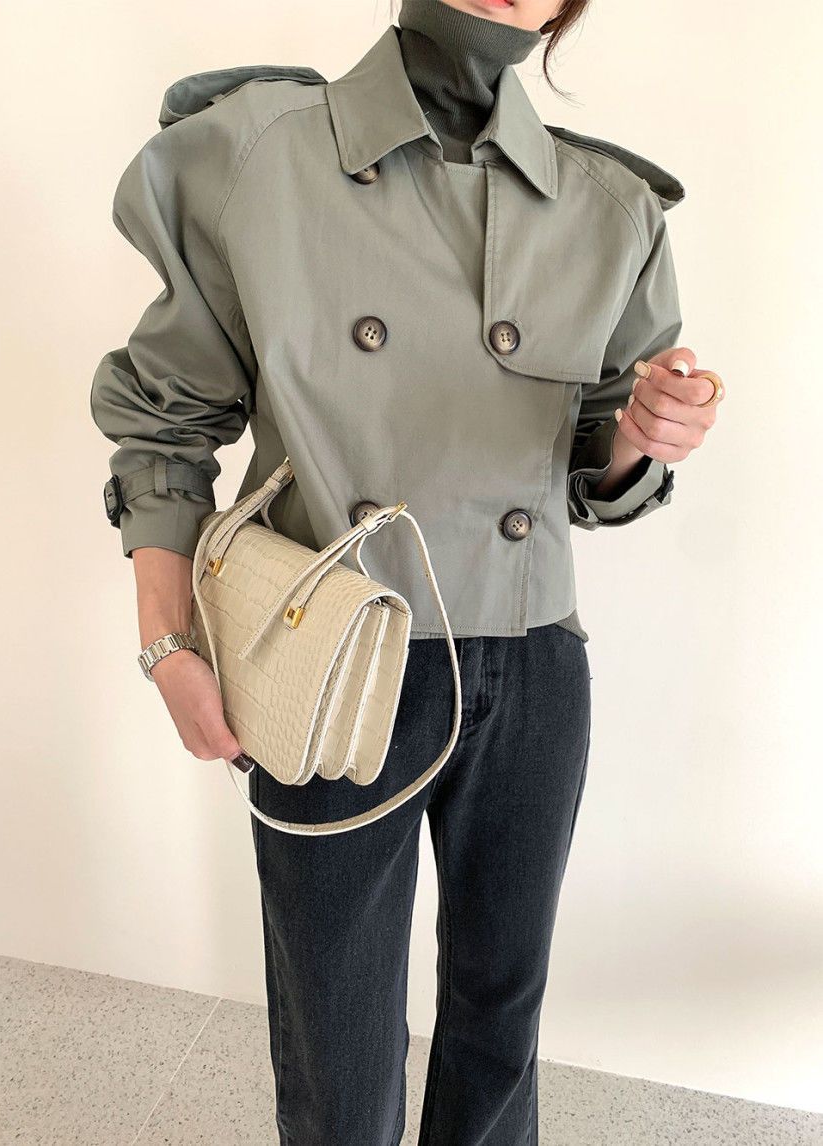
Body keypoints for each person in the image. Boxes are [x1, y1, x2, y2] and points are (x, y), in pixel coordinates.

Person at [90, 1, 724, 1141]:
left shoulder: (609, 207)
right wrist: (167, 642)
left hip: (530, 667)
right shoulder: (254, 153)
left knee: (498, 1025)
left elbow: (592, 467)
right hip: (332, 654)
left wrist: (640, 435)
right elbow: (165, 425)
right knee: (336, 1040)